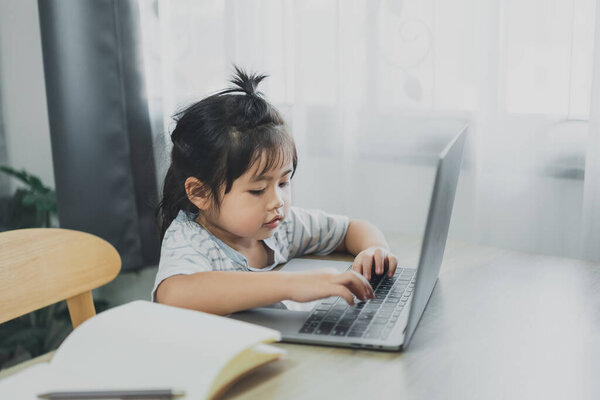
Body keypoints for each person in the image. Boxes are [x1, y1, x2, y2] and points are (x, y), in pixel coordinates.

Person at [153, 66, 398, 315]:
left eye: (283, 183)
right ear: (200, 193)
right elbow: (173, 294)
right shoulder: (192, 239)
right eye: (258, 190)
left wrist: (374, 249)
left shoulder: (282, 227)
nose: (277, 201)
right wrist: (291, 285)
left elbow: (350, 229)